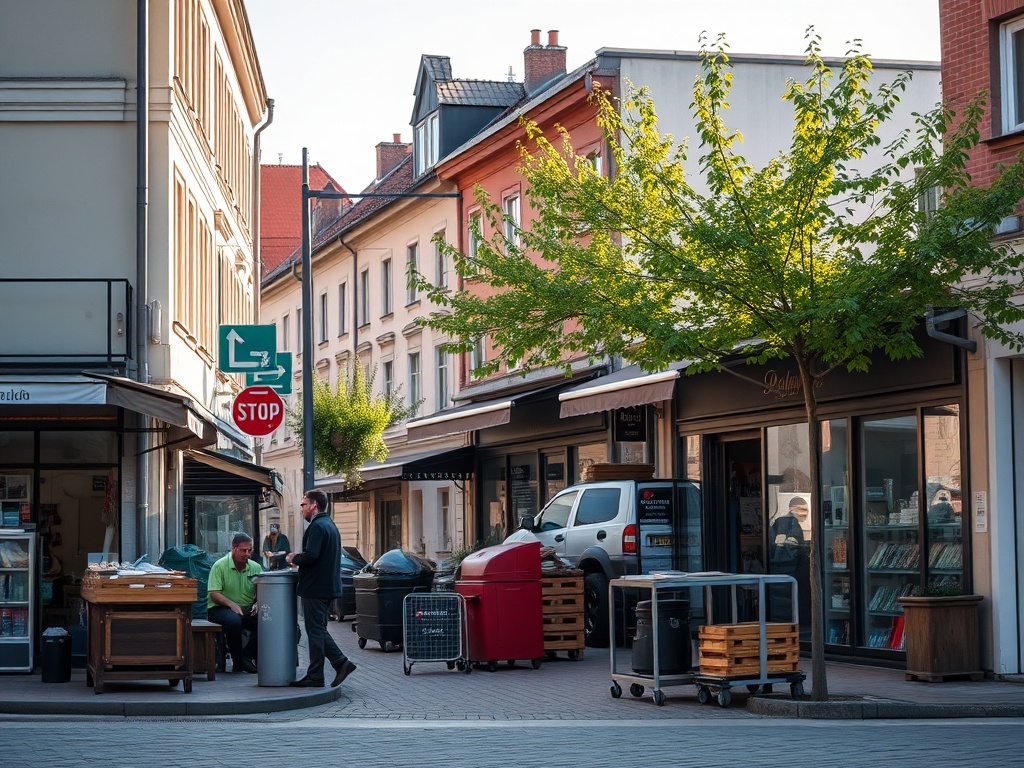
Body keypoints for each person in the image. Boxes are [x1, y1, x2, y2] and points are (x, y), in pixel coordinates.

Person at [286, 490, 356, 688]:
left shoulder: (317, 527)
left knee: (316, 631)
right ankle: (316, 675)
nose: (301, 509)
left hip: (315, 588)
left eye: (303, 505)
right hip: (327, 587)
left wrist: (294, 558)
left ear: (314, 505)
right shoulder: (330, 525)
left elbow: (312, 556)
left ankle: (341, 663)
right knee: (318, 630)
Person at [207, 532, 262, 673]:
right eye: (244, 550)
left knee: (268, 621)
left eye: (250, 550)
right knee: (234, 621)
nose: (247, 554)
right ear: (234, 548)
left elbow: (262, 590)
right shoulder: (219, 566)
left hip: (247, 607)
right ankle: (238, 661)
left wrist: (257, 603)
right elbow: (214, 593)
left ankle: (246, 656)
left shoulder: (255, 567)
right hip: (220, 608)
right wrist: (231, 604)